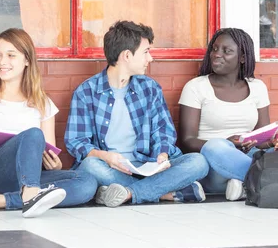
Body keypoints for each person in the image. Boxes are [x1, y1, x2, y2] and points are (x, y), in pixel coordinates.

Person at [65, 21, 209, 207]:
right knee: (89, 167)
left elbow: (163, 131)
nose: (150, 59)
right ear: (126, 55)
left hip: (149, 165)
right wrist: (105, 156)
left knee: (198, 162)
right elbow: (76, 142)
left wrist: (162, 155)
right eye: (146, 52)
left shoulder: (150, 88)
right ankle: (163, 192)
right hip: (111, 168)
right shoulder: (87, 92)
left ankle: (128, 193)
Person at [0, 28, 98, 218]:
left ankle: (1, 200)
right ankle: (30, 196)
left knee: (86, 182)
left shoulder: (42, 102)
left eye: (11, 55)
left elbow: (49, 152)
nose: (2, 62)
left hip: (26, 176)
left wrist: (55, 165)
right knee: (33, 134)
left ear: (26, 60)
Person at [179, 28, 277, 200]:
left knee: (268, 155)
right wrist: (227, 143)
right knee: (215, 146)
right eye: (214, 49)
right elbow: (187, 141)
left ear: (243, 58)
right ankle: (262, 181)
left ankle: (243, 185)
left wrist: (270, 142)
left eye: (227, 51)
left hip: (246, 156)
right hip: (214, 163)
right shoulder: (196, 87)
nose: (217, 54)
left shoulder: (257, 87)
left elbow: (262, 140)